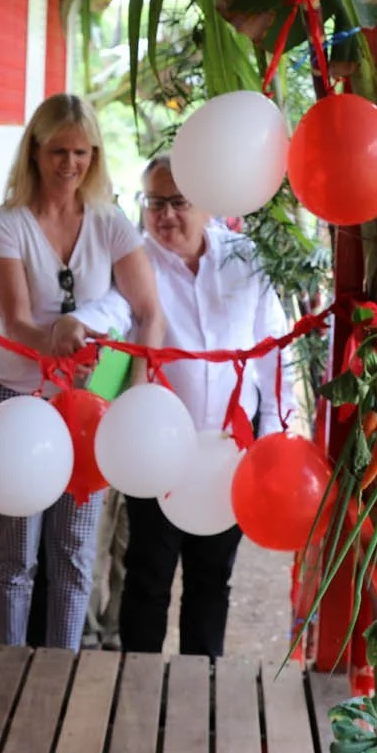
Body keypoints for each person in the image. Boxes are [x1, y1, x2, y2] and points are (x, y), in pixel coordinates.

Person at [0, 94, 165, 650]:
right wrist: (59, 339)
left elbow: (149, 312)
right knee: (16, 553)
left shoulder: (109, 223)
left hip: (89, 408)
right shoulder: (6, 224)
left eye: (82, 152)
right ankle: (6, 665)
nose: (70, 164)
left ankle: (64, 669)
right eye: (59, 150)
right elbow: (13, 321)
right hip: (18, 399)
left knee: (75, 552)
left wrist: (138, 391)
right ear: (35, 150)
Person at [119, 155, 290, 658]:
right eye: (154, 202)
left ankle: (202, 688)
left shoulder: (245, 256)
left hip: (230, 449)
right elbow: (110, 316)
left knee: (212, 577)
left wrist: (276, 432)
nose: (165, 215)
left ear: (207, 206)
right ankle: (138, 686)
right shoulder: (134, 262)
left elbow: (272, 346)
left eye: (177, 202)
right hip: (156, 449)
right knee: (148, 574)